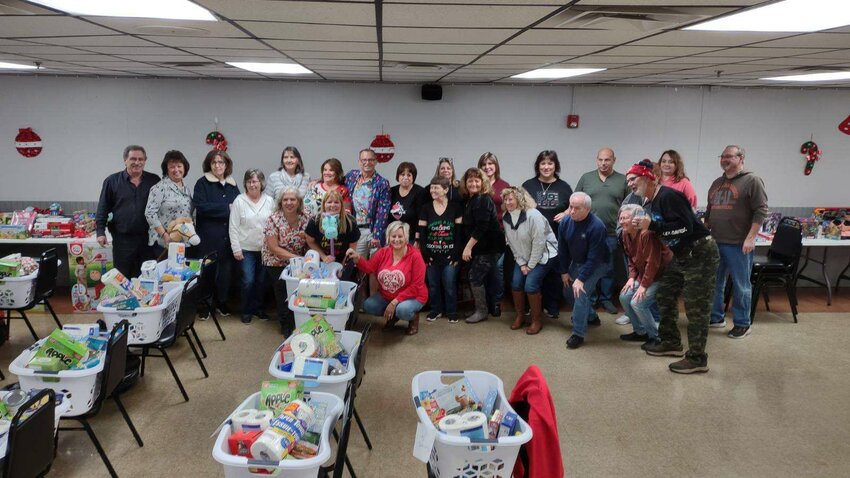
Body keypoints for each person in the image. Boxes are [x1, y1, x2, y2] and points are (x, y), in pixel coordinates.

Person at [628, 159, 720, 374]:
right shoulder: (650, 202)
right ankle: (671, 341)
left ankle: (697, 358)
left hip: (700, 252)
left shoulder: (669, 196)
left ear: (649, 178)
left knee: (696, 308)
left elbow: (685, 228)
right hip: (681, 256)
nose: (631, 184)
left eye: (635, 179)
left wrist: (653, 226)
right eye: (629, 181)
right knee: (665, 293)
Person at [706, 145, 769, 339]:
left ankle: (743, 323)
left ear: (741, 158)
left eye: (729, 156)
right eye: (722, 156)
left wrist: (751, 238)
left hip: (738, 244)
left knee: (742, 285)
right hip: (716, 242)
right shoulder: (717, 182)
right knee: (715, 283)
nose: (724, 160)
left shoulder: (752, 180)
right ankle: (716, 317)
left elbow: (761, 210)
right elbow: (709, 211)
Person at [575, 147, 630, 316]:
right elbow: (576, 200)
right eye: (600, 159)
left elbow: (629, 205)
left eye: (607, 160)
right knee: (589, 266)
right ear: (596, 160)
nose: (603, 163)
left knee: (609, 267)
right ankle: (590, 300)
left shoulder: (623, 180)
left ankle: (606, 299)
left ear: (614, 160)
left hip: (612, 232)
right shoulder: (586, 178)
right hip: (588, 233)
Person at [346, 221, 428, 336]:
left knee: (402, 310)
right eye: (393, 236)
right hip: (387, 295)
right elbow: (369, 268)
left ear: (406, 237)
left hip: (413, 296)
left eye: (400, 236)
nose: (396, 239)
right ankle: (393, 317)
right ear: (388, 237)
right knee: (368, 306)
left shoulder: (415, 255)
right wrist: (357, 258)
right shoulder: (383, 252)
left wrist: (394, 302)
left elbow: (416, 286)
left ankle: (413, 317)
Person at [521, 150, 573, 319]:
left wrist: (566, 213)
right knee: (533, 271)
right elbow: (520, 208)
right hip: (533, 239)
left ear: (555, 165)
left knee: (554, 273)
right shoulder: (528, 185)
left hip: (557, 238)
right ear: (538, 166)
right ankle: (533, 305)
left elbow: (573, 206)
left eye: (550, 163)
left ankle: (551, 305)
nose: (546, 167)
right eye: (543, 163)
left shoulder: (564, 187)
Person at [95, 145, 159, 278]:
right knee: (122, 278)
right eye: (133, 159)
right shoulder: (111, 181)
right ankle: (124, 299)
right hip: (123, 240)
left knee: (147, 277)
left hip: (148, 240)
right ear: (125, 160)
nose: (137, 162)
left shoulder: (154, 180)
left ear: (145, 161)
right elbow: (103, 208)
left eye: (141, 159)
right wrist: (100, 232)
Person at [558, 192, 610, 349]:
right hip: (578, 262)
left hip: (598, 264)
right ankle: (592, 316)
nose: (572, 211)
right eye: (570, 207)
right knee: (568, 292)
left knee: (579, 293)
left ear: (587, 209)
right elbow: (562, 249)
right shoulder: (566, 221)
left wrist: (580, 279)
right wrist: (564, 272)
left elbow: (594, 258)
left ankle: (578, 333)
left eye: (576, 208)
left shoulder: (597, 226)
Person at [502, 187, 558, 335]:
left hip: (545, 255)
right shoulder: (506, 217)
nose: (508, 202)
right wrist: (521, 263)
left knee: (531, 285)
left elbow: (539, 243)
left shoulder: (533, 215)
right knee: (515, 284)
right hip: (524, 257)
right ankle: (520, 316)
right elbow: (512, 243)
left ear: (520, 200)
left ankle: (536, 320)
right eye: (505, 199)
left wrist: (530, 266)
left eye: (511, 199)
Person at [617, 204, 672, 348]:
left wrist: (643, 286)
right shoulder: (624, 233)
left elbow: (653, 263)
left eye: (626, 218)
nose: (622, 221)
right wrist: (631, 277)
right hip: (645, 274)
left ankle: (655, 337)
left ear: (636, 219)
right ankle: (640, 332)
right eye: (620, 218)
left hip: (662, 275)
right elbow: (630, 257)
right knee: (624, 296)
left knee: (638, 303)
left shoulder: (647, 234)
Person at [193, 150, 240, 318]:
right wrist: (227, 208)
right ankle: (205, 305)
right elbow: (201, 206)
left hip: (228, 238)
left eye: (221, 162)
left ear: (226, 165)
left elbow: (239, 207)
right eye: (214, 162)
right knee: (207, 273)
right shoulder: (202, 183)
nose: (217, 165)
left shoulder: (233, 185)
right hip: (208, 237)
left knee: (226, 274)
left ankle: (222, 302)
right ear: (209, 165)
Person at [229, 169, 274, 324]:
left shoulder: (269, 201)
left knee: (262, 281)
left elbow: (274, 224)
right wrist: (236, 248)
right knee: (248, 281)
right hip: (245, 249)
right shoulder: (239, 201)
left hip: (265, 249)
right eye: (249, 181)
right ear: (245, 184)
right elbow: (233, 226)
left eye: (255, 181)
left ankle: (259, 309)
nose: (252, 184)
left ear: (261, 183)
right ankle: (246, 310)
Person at [263, 187, 311, 336]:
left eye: (293, 199)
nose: (289, 202)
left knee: (300, 291)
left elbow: (310, 242)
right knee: (283, 291)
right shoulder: (273, 219)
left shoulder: (306, 218)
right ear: (280, 202)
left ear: (299, 202)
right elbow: (273, 248)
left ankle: (300, 322)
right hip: (275, 261)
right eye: (285, 199)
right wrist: (298, 259)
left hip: (299, 261)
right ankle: (285, 324)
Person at [460, 167, 505, 324]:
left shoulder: (482, 199)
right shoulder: (472, 199)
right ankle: (482, 308)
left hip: (489, 247)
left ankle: (482, 311)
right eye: (470, 180)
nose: (473, 183)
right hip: (482, 247)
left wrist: (468, 247)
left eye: (477, 180)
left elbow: (481, 227)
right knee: (480, 276)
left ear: (483, 182)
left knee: (475, 276)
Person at [417, 176, 463, 324]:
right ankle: (435, 310)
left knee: (449, 283)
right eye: (431, 187)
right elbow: (421, 232)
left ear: (445, 189)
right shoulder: (426, 208)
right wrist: (425, 252)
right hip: (431, 255)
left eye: (436, 188)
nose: (432, 190)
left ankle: (452, 311)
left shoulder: (455, 207)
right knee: (433, 284)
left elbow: (459, 232)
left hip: (450, 255)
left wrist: (456, 253)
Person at [144, 150, 193, 258]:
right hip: (165, 243)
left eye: (179, 166)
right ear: (166, 170)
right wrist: (165, 235)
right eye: (172, 167)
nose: (176, 170)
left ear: (185, 168)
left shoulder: (186, 189)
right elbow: (150, 213)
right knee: (167, 274)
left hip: (184, 241)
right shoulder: (159, 187)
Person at [478, 152, 510, 316]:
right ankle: (483, 304)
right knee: (482, 269)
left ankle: (496, 301)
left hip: (498, 234)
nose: (487, 167)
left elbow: (507, 211)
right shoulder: (477, 184)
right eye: (484, 164)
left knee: (497, 269)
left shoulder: (504, 185)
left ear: (496, 166)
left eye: (490, 163)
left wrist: (507, 233)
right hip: (480, 235)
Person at [344, 148, 391, 258]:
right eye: (364, 160)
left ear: (375, 161)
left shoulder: (382, 183)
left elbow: (382, 212)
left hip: (372, 230)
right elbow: (336, 181)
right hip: (355, 229)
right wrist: (319, 180)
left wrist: (377, 235)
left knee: (374, 266)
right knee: (357, 263)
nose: (367, 162)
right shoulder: (351, 176)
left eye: (370, 160)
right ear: (359, 162)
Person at [305, 189, 360, 268]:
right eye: (329, 202)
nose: (333, 205)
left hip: (343, 261)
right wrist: (323, 257)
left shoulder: (350, 222)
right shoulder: (315, 221)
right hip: (321, 262)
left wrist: (342, 266)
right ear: (324, 204)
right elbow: (310, 241)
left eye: (336, 202)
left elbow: (352, 249)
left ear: (341, 205)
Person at [388, 161, 423, 243]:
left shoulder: (420, 192)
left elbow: (421, 218)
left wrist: (417, 240)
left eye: (409, 175)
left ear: (413, 177)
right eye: (402, 174)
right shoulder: (391, 191)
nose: (405, 177)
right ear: (398, 176)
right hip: (393, 237)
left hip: (411, 238)